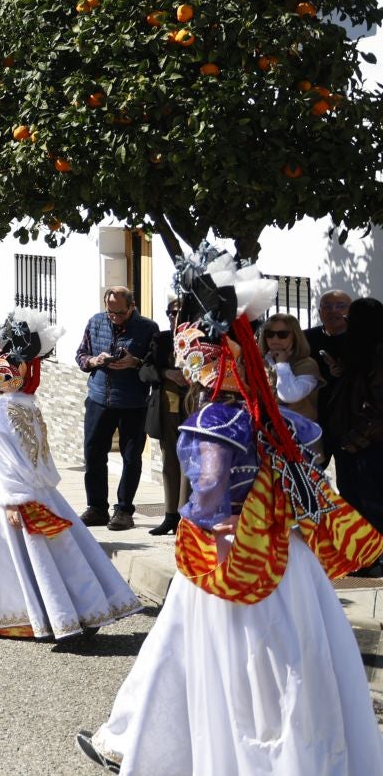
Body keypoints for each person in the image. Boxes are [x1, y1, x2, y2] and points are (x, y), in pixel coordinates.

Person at [83, 252, 383, 774]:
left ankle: (164, 749)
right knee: (292, 659)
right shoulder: (267, 414)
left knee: (219, 662)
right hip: (285, 560)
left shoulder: (216, 420)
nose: (187, 369)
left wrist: (203, 529)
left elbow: (210, 498)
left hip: (231, 560)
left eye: (194, 359)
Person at [0, 309, 141, 640]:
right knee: (58, 555)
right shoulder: (28, 405)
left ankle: (10, 615)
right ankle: (76, 610)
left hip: (7, 497)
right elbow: (27, 457)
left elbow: (7, 460)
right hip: (39, 493)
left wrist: (11, 501)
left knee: (5, 563)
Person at [74, 285, 157, 531]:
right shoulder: (96, 322)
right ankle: (97, 508)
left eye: (119, 313)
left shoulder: (147, 328)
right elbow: (80, 355)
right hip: (99, 398)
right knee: (93, 454)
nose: (114, 317)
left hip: (133, 402)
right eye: (110, 312)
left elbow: (154, 366)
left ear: (131, 306)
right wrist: (93, 361)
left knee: (131, 458)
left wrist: (135, 362)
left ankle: (123, 510)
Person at [324, 296, 383, 576]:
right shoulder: (361, 350)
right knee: (353, 499)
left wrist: (356, 437)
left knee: (372, 502)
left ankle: (372, 558)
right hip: (351, 442)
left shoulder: (379, 352)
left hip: (369, 443)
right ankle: (362, 556)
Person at [146, 300, 193, 537]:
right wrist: (166, 373)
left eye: (178, 312)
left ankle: (186, 517)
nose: (173, 317)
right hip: (167, 410)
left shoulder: (200, 339)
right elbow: (144, 370)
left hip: (192, 409)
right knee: (169, 464)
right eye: (170, 313)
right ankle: (169, 515)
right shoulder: (161, 339)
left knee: (189, 464)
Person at [260, 312, 320, 421]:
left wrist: (281, 365)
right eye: (269, 334)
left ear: (294, 336)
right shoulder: (261, 362)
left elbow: (289, 396)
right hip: (264, 428)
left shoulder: (307, 364)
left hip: (297, 432)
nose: (275, 339)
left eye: (282, 334)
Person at [306, 289, 352, 401]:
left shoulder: (361, 340)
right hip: (313, 404)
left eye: (341, 306)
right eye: (327, 306)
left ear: (351, 312)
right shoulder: (305, 337)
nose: (333, 311)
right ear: (319, 312)